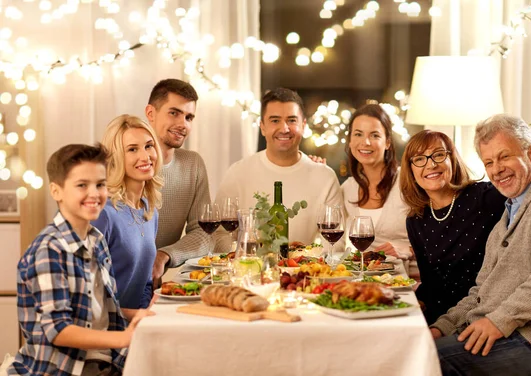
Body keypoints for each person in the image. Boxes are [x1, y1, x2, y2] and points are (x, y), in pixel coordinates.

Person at [430, 114, 531, 376]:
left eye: (504, 156)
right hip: (509, 331)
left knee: (430, 363)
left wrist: (498, 321)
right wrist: (442, 327)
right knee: (421, 350)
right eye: (489, 162)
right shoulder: (506, 218)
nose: (496, 169)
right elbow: (480, 292)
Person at [400, 129, 531, 324]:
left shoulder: (486, 197)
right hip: (442, 318)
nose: (431, 164)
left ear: (452, 160)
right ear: (411, 169)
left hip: (487, 312)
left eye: (439, 155)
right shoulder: (415, 220)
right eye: (419, 159)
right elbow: (430, 283)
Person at [8, 144, 152, 376]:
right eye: (82, 185)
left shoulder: (96, 240)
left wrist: (139, 315)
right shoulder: (49, 249)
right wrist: (124, 338)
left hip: (103, 360)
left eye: (100, 184)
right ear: (56, 191)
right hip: (63, 368)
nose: (94, 193)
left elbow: (101, 309)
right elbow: (59, 329)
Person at [213, 88, 343, 253]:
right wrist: (245, 254)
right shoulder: (237, 173)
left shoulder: (325, 177)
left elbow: (336, 243)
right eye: (275, 120)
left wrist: (302, 256)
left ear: (303, 126)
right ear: (262, 127)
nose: (284, 128)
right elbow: (219, 235)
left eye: (291, 120)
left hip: (304, 273)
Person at [144, 79, 214, 285]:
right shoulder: (121, 164)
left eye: (189, 117)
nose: (183, 124)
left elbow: (204, 232)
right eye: (174, 113)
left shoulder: (193, 164)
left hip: (161, 283)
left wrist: (165, 255)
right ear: (151, 113)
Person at [92, 115, 162, 310]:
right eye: (132, 149)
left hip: (134, 327)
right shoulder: (103, 214)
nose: (146, 156)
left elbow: (145, 283)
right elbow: (91, 298)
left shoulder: (150, 211)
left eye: (149, 146)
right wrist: (135, 319)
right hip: (104, 331)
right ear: (115, 158)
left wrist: (145, 314)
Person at [341, 103, 412, 272]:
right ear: (350, 141)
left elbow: (438, 237)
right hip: (368, 278)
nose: (365, 142)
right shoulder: (347, 188)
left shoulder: (407, 181)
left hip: (412, 281)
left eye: (374, 135)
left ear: (387, 142)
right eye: (358, 134)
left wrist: (408, 251)